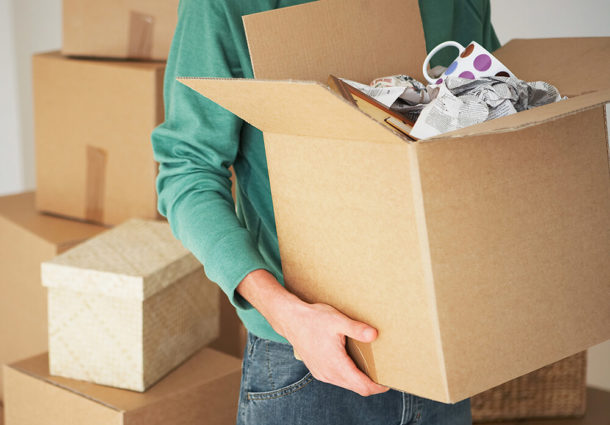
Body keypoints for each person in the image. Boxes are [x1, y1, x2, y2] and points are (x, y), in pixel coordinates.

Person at [151, 1, 501, 423]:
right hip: (309, 357)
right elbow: (187, 172)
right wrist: (287, 314)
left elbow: (497, 128)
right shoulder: (226, 6)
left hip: (440, 346)